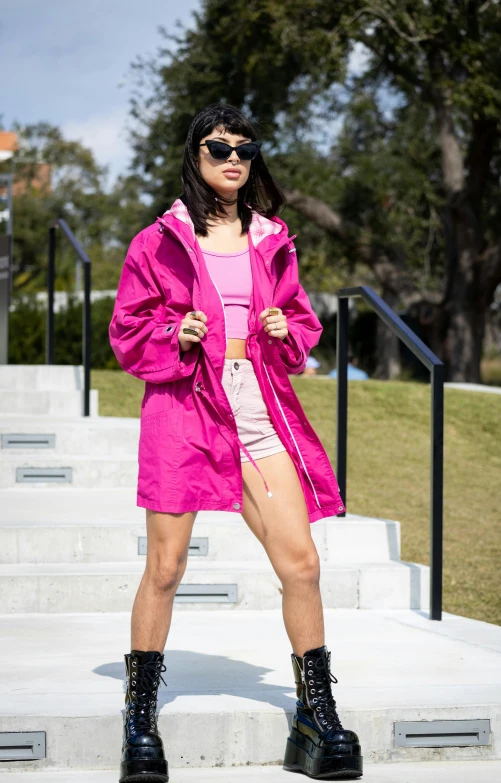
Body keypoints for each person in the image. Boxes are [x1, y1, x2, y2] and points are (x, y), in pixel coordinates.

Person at [109, 102, 363, 782]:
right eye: (219, 146)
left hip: (255, 403)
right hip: (184, 402)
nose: (233, 158)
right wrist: (173, 334)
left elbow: (303, 320)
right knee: (165, 568)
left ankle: (317, 717)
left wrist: (284, 329)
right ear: (195, 154)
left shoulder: (272, 238)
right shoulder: (157, 241)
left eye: (245, 150)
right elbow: (126, 330)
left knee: (302, 563)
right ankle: (139, 721)